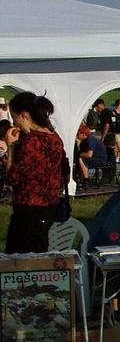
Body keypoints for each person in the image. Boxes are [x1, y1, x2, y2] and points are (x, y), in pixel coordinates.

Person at [4, 92, 67, 253]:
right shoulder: (55, 138)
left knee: (19, 257)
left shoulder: (30, 142)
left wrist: (11, 148)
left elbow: (12, 178)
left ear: (24, 116)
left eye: (14, 118)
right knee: (39, 250)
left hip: (28, 208)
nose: (14, 123)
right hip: (50, 205)